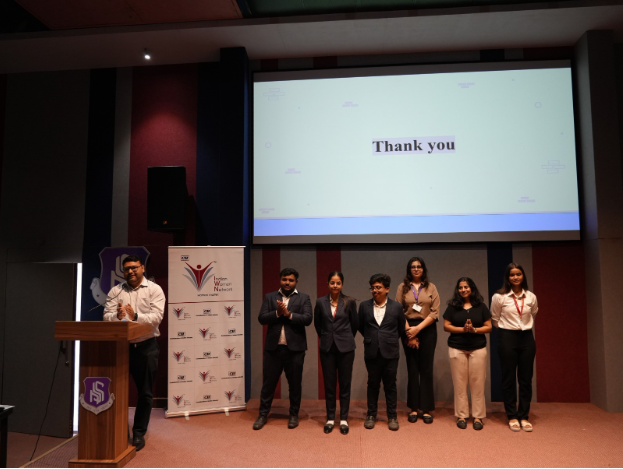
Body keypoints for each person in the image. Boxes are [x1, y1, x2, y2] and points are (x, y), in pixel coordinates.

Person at [103, 255, 165, 452]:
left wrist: (135, 315)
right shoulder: (116, 291)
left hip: (146, 347)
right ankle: (119, 430)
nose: (130, 271)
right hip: (122, 347)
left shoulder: (154, 290)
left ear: (142, 268)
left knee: (145, 393)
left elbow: (156, 318)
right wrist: (117, 316)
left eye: (134, 267)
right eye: (126, 269)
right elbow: (106, 317)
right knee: (116, 390)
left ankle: (139, 432)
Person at [253, 268, 313, 430]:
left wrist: (288, 314)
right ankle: (262, 414)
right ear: (280, 280)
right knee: (268, 384)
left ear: (296, 282)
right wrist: (277, 313)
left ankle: (293, 414)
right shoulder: (270, 297)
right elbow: (261, 318)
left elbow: (308, 319)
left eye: (291, 280)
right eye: (284, 279)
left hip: (295, 350)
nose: (287, 282)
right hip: (273, 349)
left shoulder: (304, 298)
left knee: (295, 384)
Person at [491, 263, 539, 433]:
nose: (515, 277)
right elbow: (495, 318)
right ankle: (512, 415)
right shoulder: (499, 297)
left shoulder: (531, 296)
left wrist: (521, 327)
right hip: (507, 337)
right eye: (512, 275)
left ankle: (524, 416)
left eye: (518, 274)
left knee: (526, 379)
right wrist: (508, 330)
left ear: (523, 276)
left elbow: (533, 313)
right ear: (507, 277)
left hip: (526, 338)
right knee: (509, 378)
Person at [358, 273, 406, 431]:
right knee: (372, 384)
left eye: (378, 287)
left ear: (387, 289)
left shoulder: (396, 307)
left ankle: (392, 416)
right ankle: (371, 415)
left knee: (390, 385)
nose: (375, 290)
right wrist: (373, 338)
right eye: (372, 288)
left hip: (390, 351)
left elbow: (400, 328)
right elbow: (360, 326)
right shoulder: (364, 306)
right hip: (371, 350)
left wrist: (387, 340)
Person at [443, 277, 492, 430]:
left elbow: (489, 326)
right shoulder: (452, 306)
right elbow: (446, 326)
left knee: (478, 384)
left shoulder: (481, 306)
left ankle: (478, 416)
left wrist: (474, 330)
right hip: (457, 348)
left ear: (472, 288)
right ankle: (462, 415)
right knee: (459, 384)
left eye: (466, 287)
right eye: (460, 287)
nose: (463, 290)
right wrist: (462, 329)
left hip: (478, 348)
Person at [395, 257, 439, 424]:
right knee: (412, 368)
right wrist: (409, 332)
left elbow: (435, 312)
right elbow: (398, 310)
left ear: (423, 269)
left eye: (419, 266)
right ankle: (413, 408)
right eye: (413, 267)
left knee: (426, 369)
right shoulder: (402, 287)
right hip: (407, 327)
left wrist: (417, 329)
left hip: (427, 328)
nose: (416, 269)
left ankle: (426, 408)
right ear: (409, 269)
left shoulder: (431, 287)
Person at [314, 271, 358, 435]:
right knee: (329, 384)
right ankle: (330, 418)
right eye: (332, 282)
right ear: (328, 284)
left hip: (346, 348)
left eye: (338, 283)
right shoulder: (320, 302)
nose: (335, 285)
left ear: (342, 284)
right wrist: (327, 337)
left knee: (345, 384)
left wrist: (344, 338)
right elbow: (318, 324)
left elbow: (355, 324)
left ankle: (344, 418)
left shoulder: (349, 301)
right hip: (327, 348)